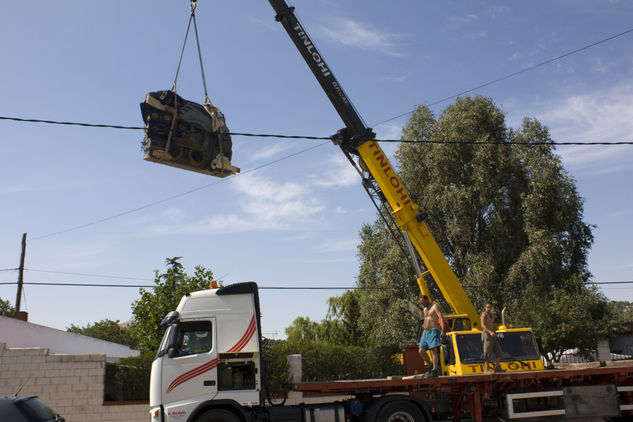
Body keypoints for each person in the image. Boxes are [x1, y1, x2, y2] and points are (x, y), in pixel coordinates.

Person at [418, 295, 444, 378]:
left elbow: (441, 318)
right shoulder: (425, 309)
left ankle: (434, 369)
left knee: (433, 350)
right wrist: (422, 335)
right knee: (421, 350)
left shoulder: (435, 306)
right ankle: (430, 364)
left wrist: (442, 330)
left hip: (433, 330)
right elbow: (425, 322)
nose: (422, 305)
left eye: (423, 302)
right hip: (426, 332)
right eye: (421, 303)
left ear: (426, 300)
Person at [481, 302, 505, 373]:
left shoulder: (491, 315)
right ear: (485, 308)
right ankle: (486, 369)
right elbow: (483, 325)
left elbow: (492, 326)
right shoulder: (484, 315)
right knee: (487, 353)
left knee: (499, 353)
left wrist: (495, 334)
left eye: (490, 307)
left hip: (493, 335)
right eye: (487, 307)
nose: (489, 309)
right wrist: (490, 332)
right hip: (487, 334)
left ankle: (497, 367)